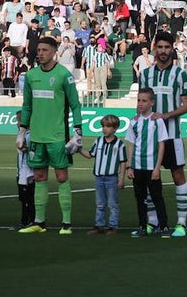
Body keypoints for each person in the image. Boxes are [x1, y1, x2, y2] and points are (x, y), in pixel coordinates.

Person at [17, 36, 82, 235]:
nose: (40, 53)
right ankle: (39, 222)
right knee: (39, 177)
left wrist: (78, 131)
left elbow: (75, 105)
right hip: (36, 136)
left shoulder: (64, 75)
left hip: (57, 136)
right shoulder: (31, 76)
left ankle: (66, 224)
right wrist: (22, 131)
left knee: (62, 177)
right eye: (39, 50)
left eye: (45, 50)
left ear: (54, 51)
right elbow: (27, 106)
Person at [138, 31, 187, 237]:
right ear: (155, 48)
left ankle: (181, 223)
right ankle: (152, 223)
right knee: (149, 178)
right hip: (149, 137)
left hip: (172, 134)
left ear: (172, 49)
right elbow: (141, 104)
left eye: (167, 47)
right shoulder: (145, 74)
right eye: (159, 47)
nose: (163, 51)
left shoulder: (181, 74)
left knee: (178, 175)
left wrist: (164, 115)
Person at [127, 87, 169, 237]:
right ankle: (142, 226)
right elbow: (131, 144)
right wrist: (129, 166)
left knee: (157, 197)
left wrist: (157, 167)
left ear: (151, 102)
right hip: (137, 166)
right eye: (139, 100)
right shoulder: (133, 122)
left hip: (152, 167)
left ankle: (164, 226)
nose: (140, 103)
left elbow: (161, 144)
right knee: (140, 199)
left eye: (144, 101)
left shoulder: (157, 121)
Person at [81, 114, 126, 235]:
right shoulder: (98, 141)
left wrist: (121, 179)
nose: (104, 129)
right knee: (100, 203)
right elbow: (90, 155)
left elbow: (123, 162)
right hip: (99, 177)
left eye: (108, 126)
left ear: (115, 128)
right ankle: (99, 225)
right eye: (103, 126)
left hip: (112, 178)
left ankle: (113, 226)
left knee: (112, 204)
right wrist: (79, 149)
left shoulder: (119, 144)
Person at [14, 111, 34, 229]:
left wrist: (23, 146)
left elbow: (27, 149)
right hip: (21, 171)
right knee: (24, 199)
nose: (18, 123)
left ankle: (28, 221)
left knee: (28, 198)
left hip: (28, 172)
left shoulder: (30, 135)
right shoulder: (22, 134)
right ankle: (25, 221)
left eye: (19, 121)